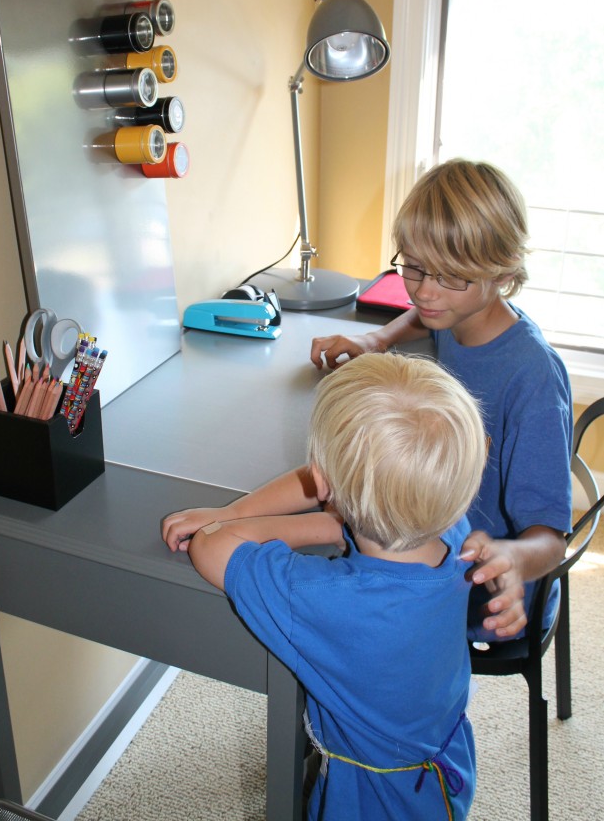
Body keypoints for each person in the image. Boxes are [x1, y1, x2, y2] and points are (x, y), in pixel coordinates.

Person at [164, 160, 573, 640]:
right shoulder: (461, 311)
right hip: (421, 519)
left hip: (483, 578)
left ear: (502, 273)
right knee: (351, 479)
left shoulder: (534, 379)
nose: (424, 290)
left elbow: (550, 539)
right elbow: (424, 315)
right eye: (414, 268)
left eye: (449, 277)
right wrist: (375, 340)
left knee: (330, 604)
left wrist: (510, 557)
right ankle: (238, 518)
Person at [168, 353, 486, 821]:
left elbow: (211, 549)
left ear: (321, 480)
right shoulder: (454, 532)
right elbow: (345, 523)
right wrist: (337, 520)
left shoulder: (326, 600)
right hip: (441, 766)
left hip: (369, 801)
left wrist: (228, 518)